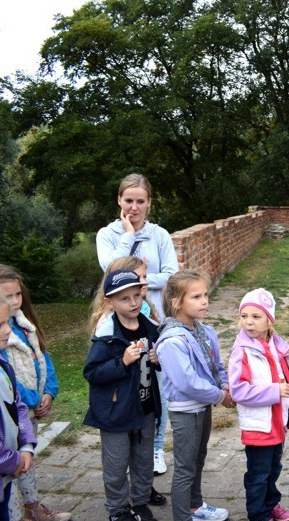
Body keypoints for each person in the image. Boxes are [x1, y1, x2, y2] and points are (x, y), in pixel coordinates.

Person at [96, 173, 177, 478]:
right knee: (128, 380)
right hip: (120, 320)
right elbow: (111, 273)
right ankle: (130, 442)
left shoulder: (159, 235)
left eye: (140, 201)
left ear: (149, 203)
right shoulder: (107, 234)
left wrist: (139, 282)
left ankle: (155, 446)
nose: (134, 207)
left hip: (152, 317)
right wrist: (128, 236)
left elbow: (171, 274)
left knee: (157, 381)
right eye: (128, 200)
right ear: (119, 200)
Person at [155, 270, 235, 521]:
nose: (204, 301)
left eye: (205, 295)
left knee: (198, 459)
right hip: (186, 411)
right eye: (196, 296)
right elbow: (187, 382)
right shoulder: (172, 341)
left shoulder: (203, 331)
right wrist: (220, 396)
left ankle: (194, 505)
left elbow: (216, 365)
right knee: (185, 467)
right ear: (177, 302)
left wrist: (224, 385)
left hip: (203, 407)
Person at [228, 288, 289, 521]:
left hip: (277, 422)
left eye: (256, 316)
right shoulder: (242, 352)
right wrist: (273, 392)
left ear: (269, 320)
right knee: (258, 473)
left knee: (274, 468)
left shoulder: (276, 345)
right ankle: (259, 517)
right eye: (244, 316)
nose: (249, 322)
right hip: (258, 425)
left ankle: (270, 503)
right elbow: (238, 391)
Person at [84, 270, 161, 521]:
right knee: (116, 465)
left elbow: (161, 364)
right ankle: (117, 510)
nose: (133, 303)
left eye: (136, 296)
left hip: (146, 408)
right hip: (116, 413)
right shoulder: (106, 336)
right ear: (110, 303)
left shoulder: (151, 328)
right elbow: (92, 373)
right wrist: (122, 362)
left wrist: (158, 360)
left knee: (143, 461)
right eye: (124, 298)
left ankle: (139, 503)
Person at [0, 265, 71, 521]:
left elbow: (44, 360)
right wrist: (31, 399)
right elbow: (9, 379)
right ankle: (15, 520)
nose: (15, 301)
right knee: (9, 470)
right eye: (8, 296)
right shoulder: (2, 333)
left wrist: (49, 392)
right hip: (10, 416)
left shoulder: (25, 326)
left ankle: (33, 506)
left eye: (18, 294)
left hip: (29, 414)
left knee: (28, 462)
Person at [0, 294, 36, 521]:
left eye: (5, 322)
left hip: (5, 474)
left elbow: (17, 405)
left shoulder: (3, 364)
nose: (6, 330)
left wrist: (25, 446)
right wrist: (10, 461)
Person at [92, 257, 161, 331]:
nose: (143, 282)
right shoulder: (107, 323)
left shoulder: (145, 308)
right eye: (137, 277)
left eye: (144, 276)